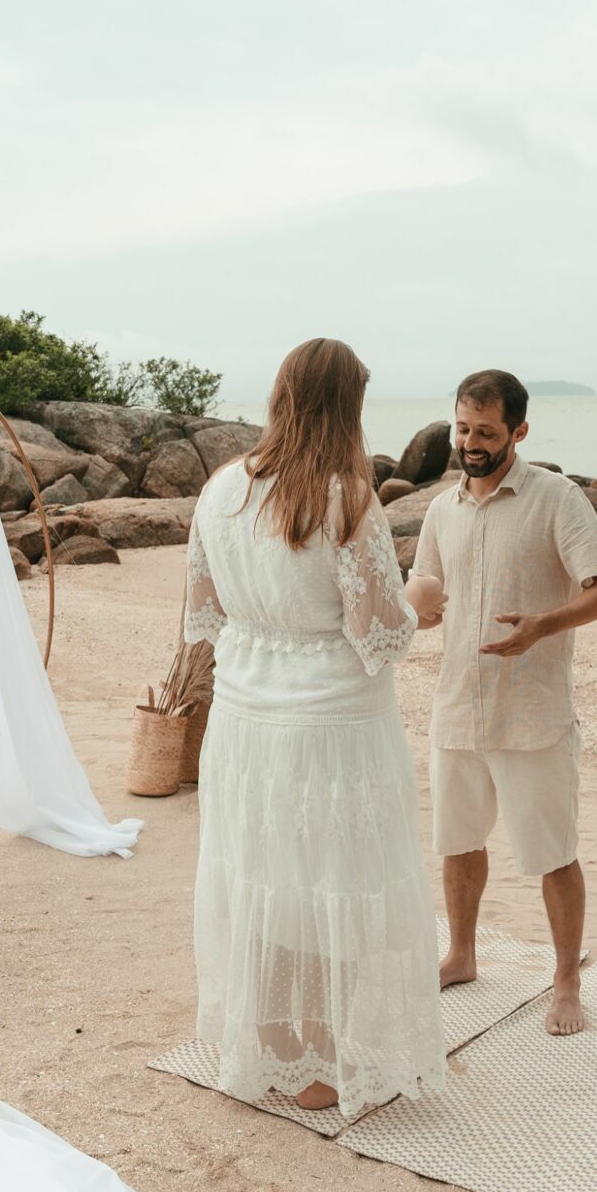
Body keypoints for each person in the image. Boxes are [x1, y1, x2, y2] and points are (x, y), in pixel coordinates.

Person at [184, 338, 445, 1114]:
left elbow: (203, 612)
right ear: (349, 406)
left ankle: (270, 1042)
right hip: (331, 723)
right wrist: (421, 603)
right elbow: (378, 638)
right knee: (340, 881)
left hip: (245, 715)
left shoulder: (220, 488)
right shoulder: (346, 496)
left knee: (264, 872)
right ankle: (330, 1062)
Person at [408, 370, 597, 1035]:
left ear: (519, 432)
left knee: (552, 853)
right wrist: (416, 612)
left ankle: (566, 981)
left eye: (486, 432)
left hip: (533, 715)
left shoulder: (555, 499)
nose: (471, 444)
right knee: (456, 842)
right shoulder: (443, 508)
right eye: (463, 429)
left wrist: (543, 627)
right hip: (456, 707)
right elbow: (426, 584)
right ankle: (461, 954)